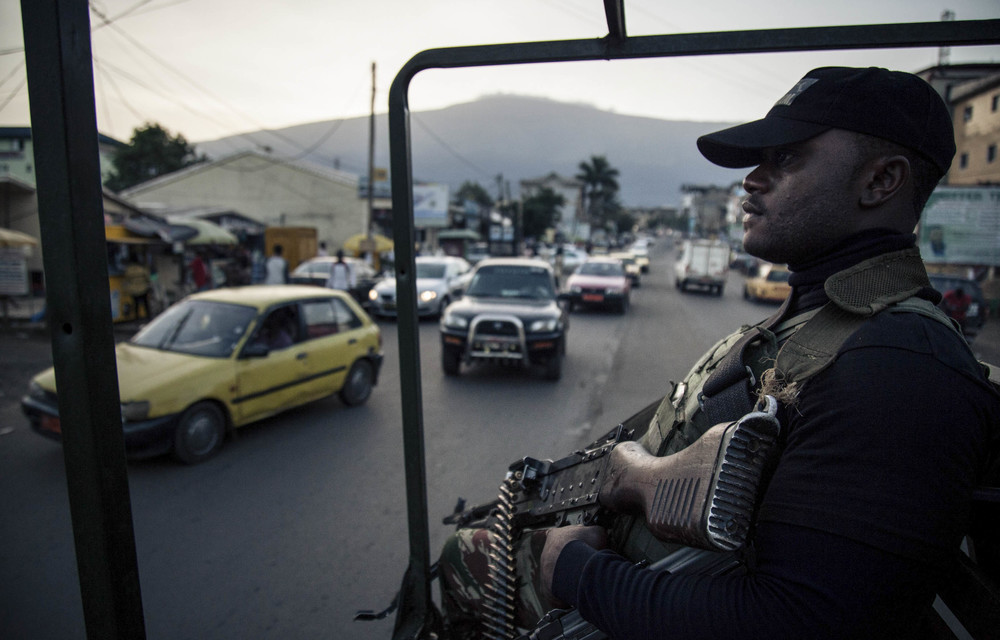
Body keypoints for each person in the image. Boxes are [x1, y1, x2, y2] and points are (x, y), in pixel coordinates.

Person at [437, 67, 1000, 640]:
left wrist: (577, 571)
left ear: (881, 181)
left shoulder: (899, 365)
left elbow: (797, 621)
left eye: (785, 159)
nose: (752, 180)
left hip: (614, 599)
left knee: (458, 564)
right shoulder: (816, 323)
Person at [122, 251, 152, 320]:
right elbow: (147, 277)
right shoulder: (142, 268)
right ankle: (149, 317)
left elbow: (127, 279)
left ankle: (136, 318)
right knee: (146, 304)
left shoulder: (128, 270)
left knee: (136, 305)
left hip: (133, 289)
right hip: (143, 288)